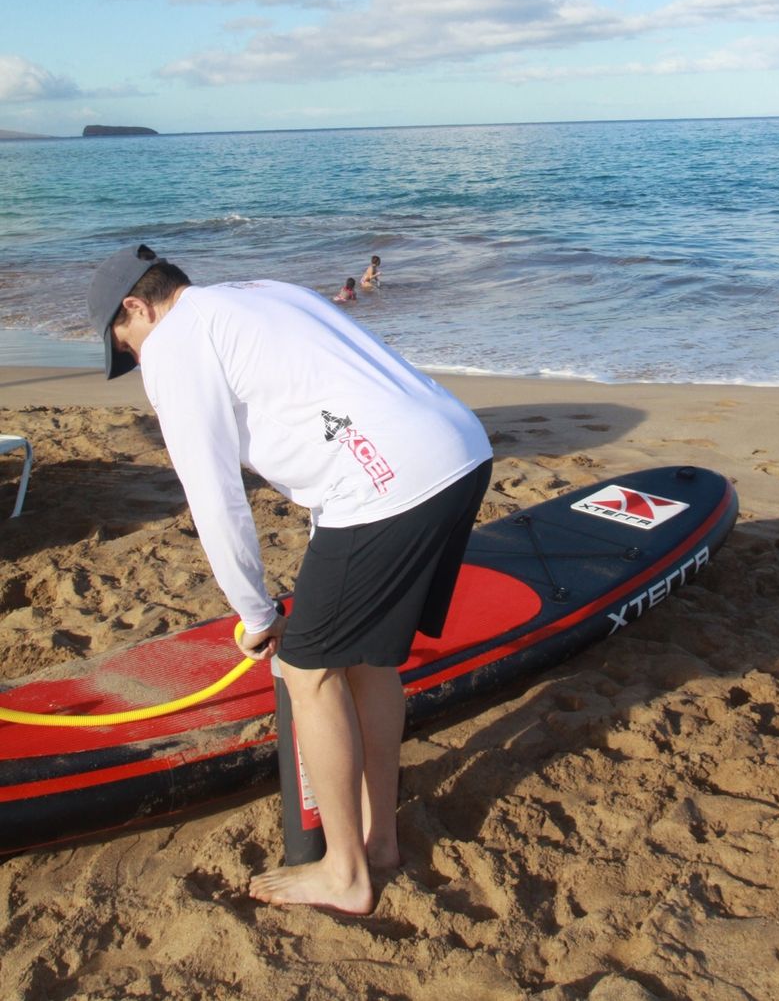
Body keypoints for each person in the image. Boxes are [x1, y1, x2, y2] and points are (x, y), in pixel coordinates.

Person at [86, 244, 492, 916]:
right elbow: (328, 402)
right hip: (457, 448)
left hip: (388, 483)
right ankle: (379, 843)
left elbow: (213, 496)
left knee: (306, 672)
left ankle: (345, 876)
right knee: (366, 661)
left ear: (137, 305)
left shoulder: (175, 344)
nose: (133, 360)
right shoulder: (256, 292)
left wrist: (253, 613)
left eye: (124, 344)